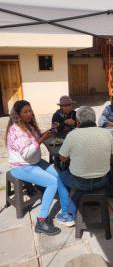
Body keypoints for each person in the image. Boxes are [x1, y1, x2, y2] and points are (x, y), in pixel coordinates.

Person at [55, 106, 113, 225]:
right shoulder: (106, 134)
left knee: (60, 177)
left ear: (78, 121)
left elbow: (63, 158)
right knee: (97, 172)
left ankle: (67, 215)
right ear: (94, 119)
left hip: (80, 182)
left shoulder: (72, 135)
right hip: (102, 181)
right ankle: (106, 193)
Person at [6, 100, 62, 235]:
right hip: (21, 166)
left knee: (58, 175)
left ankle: (64, 203)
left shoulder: (29, 126)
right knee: (52, 182)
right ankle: (41, 221)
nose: (29, 113)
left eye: (30, 110)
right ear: (18, 115)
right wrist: (42, 139)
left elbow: (34, 141)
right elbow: (26, 154)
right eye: (25, 112)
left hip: (34, 162)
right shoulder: (16, 130)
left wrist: (46, 133)